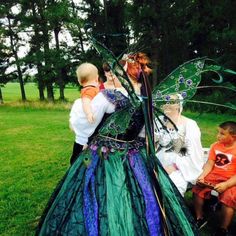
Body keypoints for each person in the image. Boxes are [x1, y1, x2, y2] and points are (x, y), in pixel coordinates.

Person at [36, 53, 198, 236]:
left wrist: (81, 138)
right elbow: (145, 133)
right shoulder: (147, 98)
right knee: (140, 195)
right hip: (135, 155)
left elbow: (86, 125)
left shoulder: (108, 96)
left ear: (123, 73)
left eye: (116, 71)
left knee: (102, 193)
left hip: (105, 155)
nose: (113, 75)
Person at [155, 94, 205, 196]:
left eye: (171, 102)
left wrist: (174, 166)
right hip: (156, 160)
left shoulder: (189, 124)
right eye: (165, 101)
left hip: (179, 165)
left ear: (179, 105)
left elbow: (191, 152)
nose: (167, 104)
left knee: (171, 187)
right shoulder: (157, 121)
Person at [192, 121, 236, 235]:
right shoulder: (215, 146)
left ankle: (223, 228)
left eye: (222, 134)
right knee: (198, 188)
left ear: (233, 137)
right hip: (215, 175)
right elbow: (209, 164)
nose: (218, 136)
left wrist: (226, 185)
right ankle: (199, 217)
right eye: (218, 132)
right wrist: (203, 176)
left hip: (231, 179)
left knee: (229, 197)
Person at [69, 63, 100, 164]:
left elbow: (87, 101)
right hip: (90, 136)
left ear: (79, 81)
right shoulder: (92, 89)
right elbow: (88, 102)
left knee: (76, 158)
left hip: (83, 139)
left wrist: (88, 113)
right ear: (97, 77)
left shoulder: (90, 89)